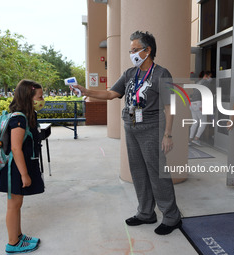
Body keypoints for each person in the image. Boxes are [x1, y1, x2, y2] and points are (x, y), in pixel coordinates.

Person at [73, 31, 182, 235]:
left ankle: (171, 216)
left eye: (134, 50)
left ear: (147, 50)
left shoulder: (161, 73)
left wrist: (168, 134)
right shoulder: (130, 73)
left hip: (152, 127)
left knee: (157, 174)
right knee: (138, 172)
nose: (131, 53)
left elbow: (170, 106)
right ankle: (146, 213)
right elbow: (111, 93)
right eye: (130, 50)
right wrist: (86, 91)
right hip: (131, 125)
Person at [0, 79, 45, 254]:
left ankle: (18, 236)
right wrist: (25, 175)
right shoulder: (19, 119)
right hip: (15, 169)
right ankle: (12, 243)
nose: (42, 99)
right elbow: (16, 149)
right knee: (13, 205)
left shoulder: (26, 116)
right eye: (40, 96)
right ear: (28, 97)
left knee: (17, 204)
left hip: (19, 167)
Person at [188, 71, 213, 146]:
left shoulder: (198, 82)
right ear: (206, 75)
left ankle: (190, 139)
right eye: (210, 76)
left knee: (195, 123)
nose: (210, 78)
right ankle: (196, 139)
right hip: (199, 103)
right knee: (204, 122)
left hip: (192, 103)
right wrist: (203, 105)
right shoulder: (205, 82)